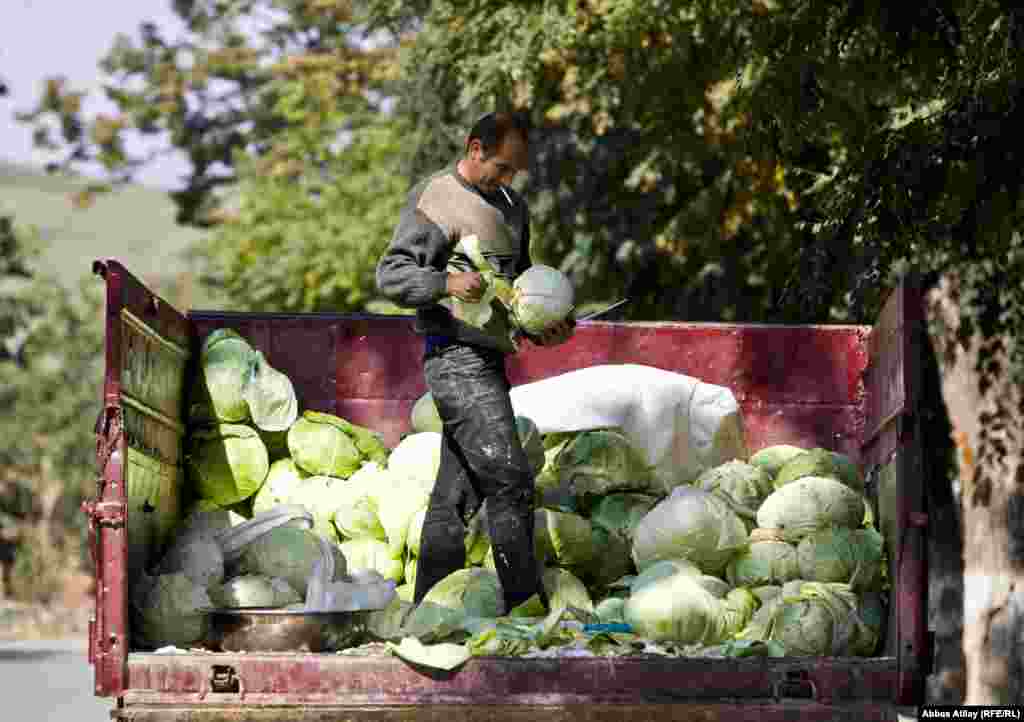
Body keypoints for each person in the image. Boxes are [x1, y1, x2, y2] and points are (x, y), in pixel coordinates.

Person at [375, 111, 575, 613]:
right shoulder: (438, 197)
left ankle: (427, 610)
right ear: (475, 149)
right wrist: (444, 283)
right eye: (503, 168)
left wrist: (544, 325)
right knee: (510, 479)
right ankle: (524, 611)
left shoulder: (512, 208)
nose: (509, 180)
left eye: (516, 172)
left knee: (455, 496)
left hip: (489, 363)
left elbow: (520, 291)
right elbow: (393, 273)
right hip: (454, 359)